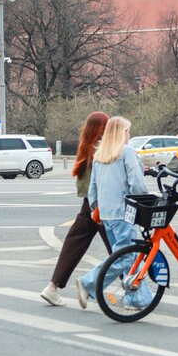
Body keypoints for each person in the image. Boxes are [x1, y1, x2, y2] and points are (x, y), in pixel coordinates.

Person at [76, 117, 150, 309]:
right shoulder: (127, 152)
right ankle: (88, 282)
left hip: (107, 214)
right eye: (127, 131)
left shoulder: (100, 155)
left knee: (129, 255)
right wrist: (144, 202)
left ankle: (137, 298)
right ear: (121, 133)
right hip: (124, 212)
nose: (129, 135)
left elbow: (93, 189)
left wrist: (95, 209)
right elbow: (137, 185)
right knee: (126, 256)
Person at [41, 112, 112, 306]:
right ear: (102, 128)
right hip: (103, 206)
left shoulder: (85, 145)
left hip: (88, 204)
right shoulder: (100, 149)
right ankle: (132, 290)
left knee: (73, 245)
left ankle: (53, 287)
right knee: (120, 249)